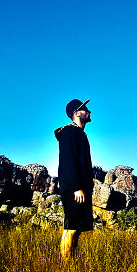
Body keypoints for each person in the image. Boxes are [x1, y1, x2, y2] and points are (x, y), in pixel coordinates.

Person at [55, 98, 94, 257]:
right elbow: (68, 161)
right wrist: (77, 188)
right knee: (71, 228)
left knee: (74, 228)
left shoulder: (78, 134)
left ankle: (69, 261)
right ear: (77, 113)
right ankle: (66, 265)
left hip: (78, 187)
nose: (89, 112)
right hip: (74, 188)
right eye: (85, 109)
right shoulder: (69, 133)